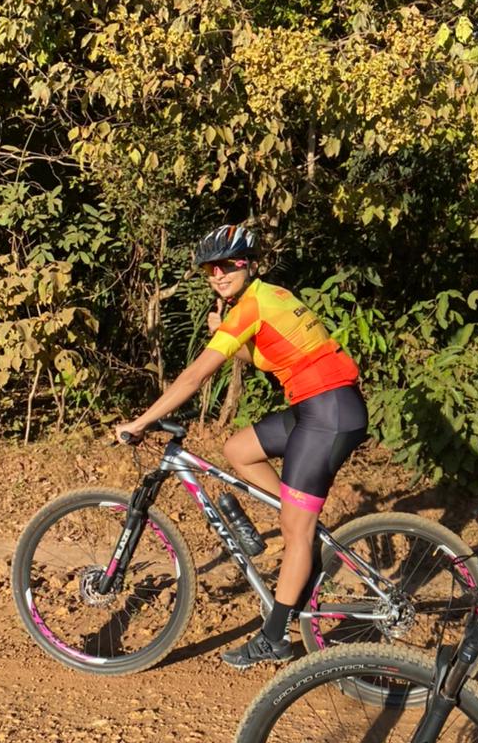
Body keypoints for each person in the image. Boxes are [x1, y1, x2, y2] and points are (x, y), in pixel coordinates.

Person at [115, 223, 368, 668]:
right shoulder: (271, 296)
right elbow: (272, 357)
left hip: (327, 413)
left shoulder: (251, 306)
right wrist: (226, 335)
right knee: (239, 450)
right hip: (320, 405)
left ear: (247, 263)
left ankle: (275, 635)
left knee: (296, 533)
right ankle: (300, 534)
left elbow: (194, 377)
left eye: (226, 265)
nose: (218, 275)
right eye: (210, 269)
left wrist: (141, 422)